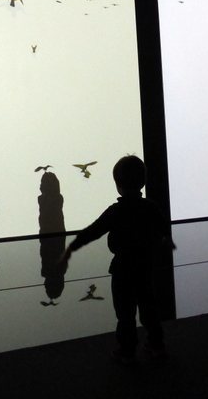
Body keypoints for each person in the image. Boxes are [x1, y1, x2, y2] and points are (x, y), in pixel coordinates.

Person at [60, 155, 174, 363]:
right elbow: (162, 228)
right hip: (145, 266)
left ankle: (127, 350)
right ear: (143, 181)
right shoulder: (150, 207)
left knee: (125, 312)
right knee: (149, 307)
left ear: (118, 185)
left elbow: (93, 231)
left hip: (123, 269)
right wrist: (166, 243)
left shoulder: (116, 211)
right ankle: (157, 345)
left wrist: (71, 248)